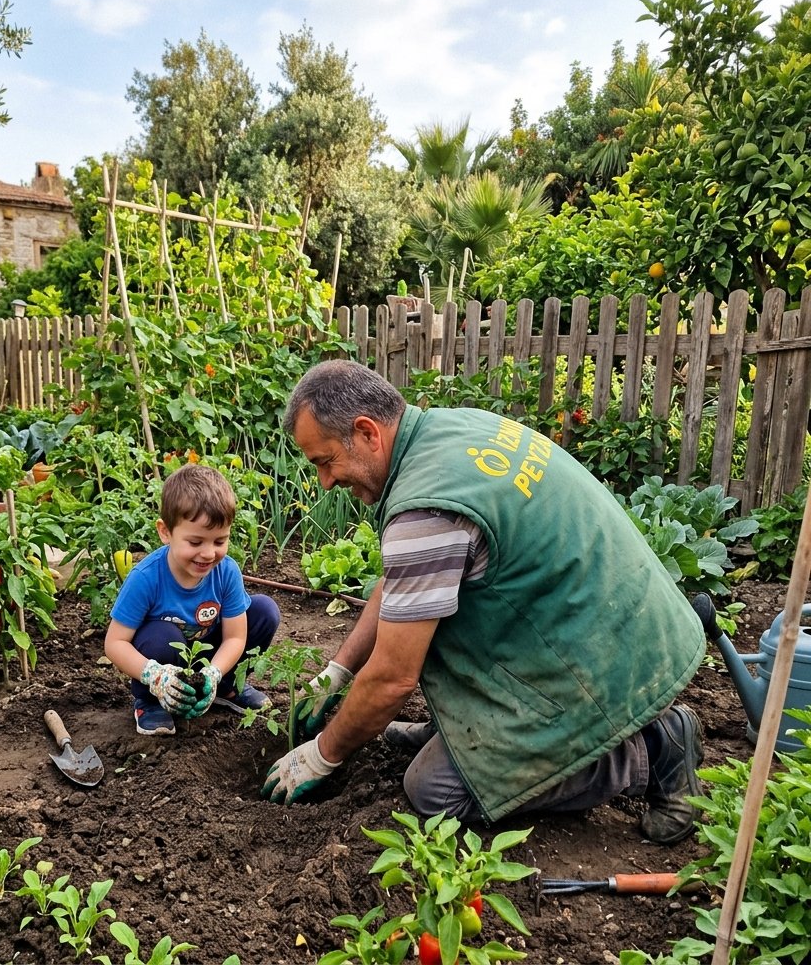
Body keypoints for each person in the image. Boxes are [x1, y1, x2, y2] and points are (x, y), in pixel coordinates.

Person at [262, 360, 706, 845]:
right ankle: (458, 733)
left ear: (367, 432)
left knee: (434, 791)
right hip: (615, 620)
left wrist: (322, 754)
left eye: (326, 461)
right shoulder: (450, 430)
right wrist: (338, 671)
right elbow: (400, 582)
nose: (325, 481)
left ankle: (652, 752)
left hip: (592, 659)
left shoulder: (426, 509)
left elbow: (392, 679)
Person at [105, 463, 280, 736]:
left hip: (206, 657)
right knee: (162, 636)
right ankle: (150, 703)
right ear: (165, 532)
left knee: (264, 611)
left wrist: (214, 673)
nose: (208, 553)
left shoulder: (226, 572)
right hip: (162, 661)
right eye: (195, 542)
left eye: (219, 541)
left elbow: (235, 637)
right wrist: (155, 675)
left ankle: (226, 688)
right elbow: (114, 643)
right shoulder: (146, 577)